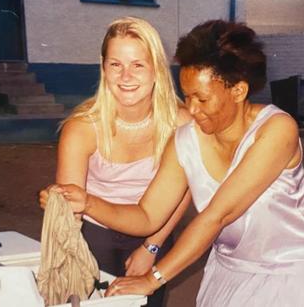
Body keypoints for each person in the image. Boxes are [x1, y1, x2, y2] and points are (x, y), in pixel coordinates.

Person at [42, 19, 304, 306]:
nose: (192, 109)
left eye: (202, 98)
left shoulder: (277, 129)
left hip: (296, 269)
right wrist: (87, 203)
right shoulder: (186, 139)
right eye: (187, 96)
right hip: (231, 267)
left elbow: (217, 216)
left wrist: (153, 278)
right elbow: (147, 216)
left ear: (238, 90)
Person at [40, 16, 191, 307]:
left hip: (155, 231)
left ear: (156, 69)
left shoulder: (181, 122)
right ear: (103, 68)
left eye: (138, 65)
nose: (126, 76)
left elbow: (184, 193)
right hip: (96, 233)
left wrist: (152, 246)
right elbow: (72, 210)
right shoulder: (82, 127)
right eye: (115, 65)